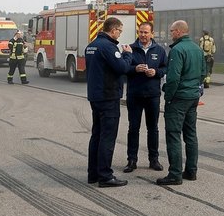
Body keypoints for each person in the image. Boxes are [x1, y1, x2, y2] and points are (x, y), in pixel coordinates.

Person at [85, 17, 133, 188]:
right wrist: (127, 54)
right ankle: (105, 176)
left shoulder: (91, 46)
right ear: (113, 30)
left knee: (96, 135)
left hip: (95, 96)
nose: (120, 34)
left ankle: (93, 174)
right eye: (120, 31)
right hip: (108, 96)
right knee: (107, 137)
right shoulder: (109, 47)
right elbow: (122, 68)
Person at [156, 20, 205, 186]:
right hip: (193, 97)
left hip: (179, 98)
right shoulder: (198, 49)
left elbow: (173, 77)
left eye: (171, 31)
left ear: (178, 31)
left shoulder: (177, 50)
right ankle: (191, 171)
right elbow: (203, 73)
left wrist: (168, 95)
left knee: (173, 134)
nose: (170, 34)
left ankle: (175, 173)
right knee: (190, 134)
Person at [124, 21, 168, 174]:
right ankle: (131, 160)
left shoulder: (160, 50)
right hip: (134, 95)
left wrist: (156, 72)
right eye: (141, 32)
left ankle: (153, 159)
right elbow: (123, 68)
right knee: (133, 128)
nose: (143, 35)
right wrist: (134, 69)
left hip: (152, 95)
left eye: (146, 32)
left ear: (152, 34)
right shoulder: (130, 49)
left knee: (153, 129)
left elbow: (165, 67)